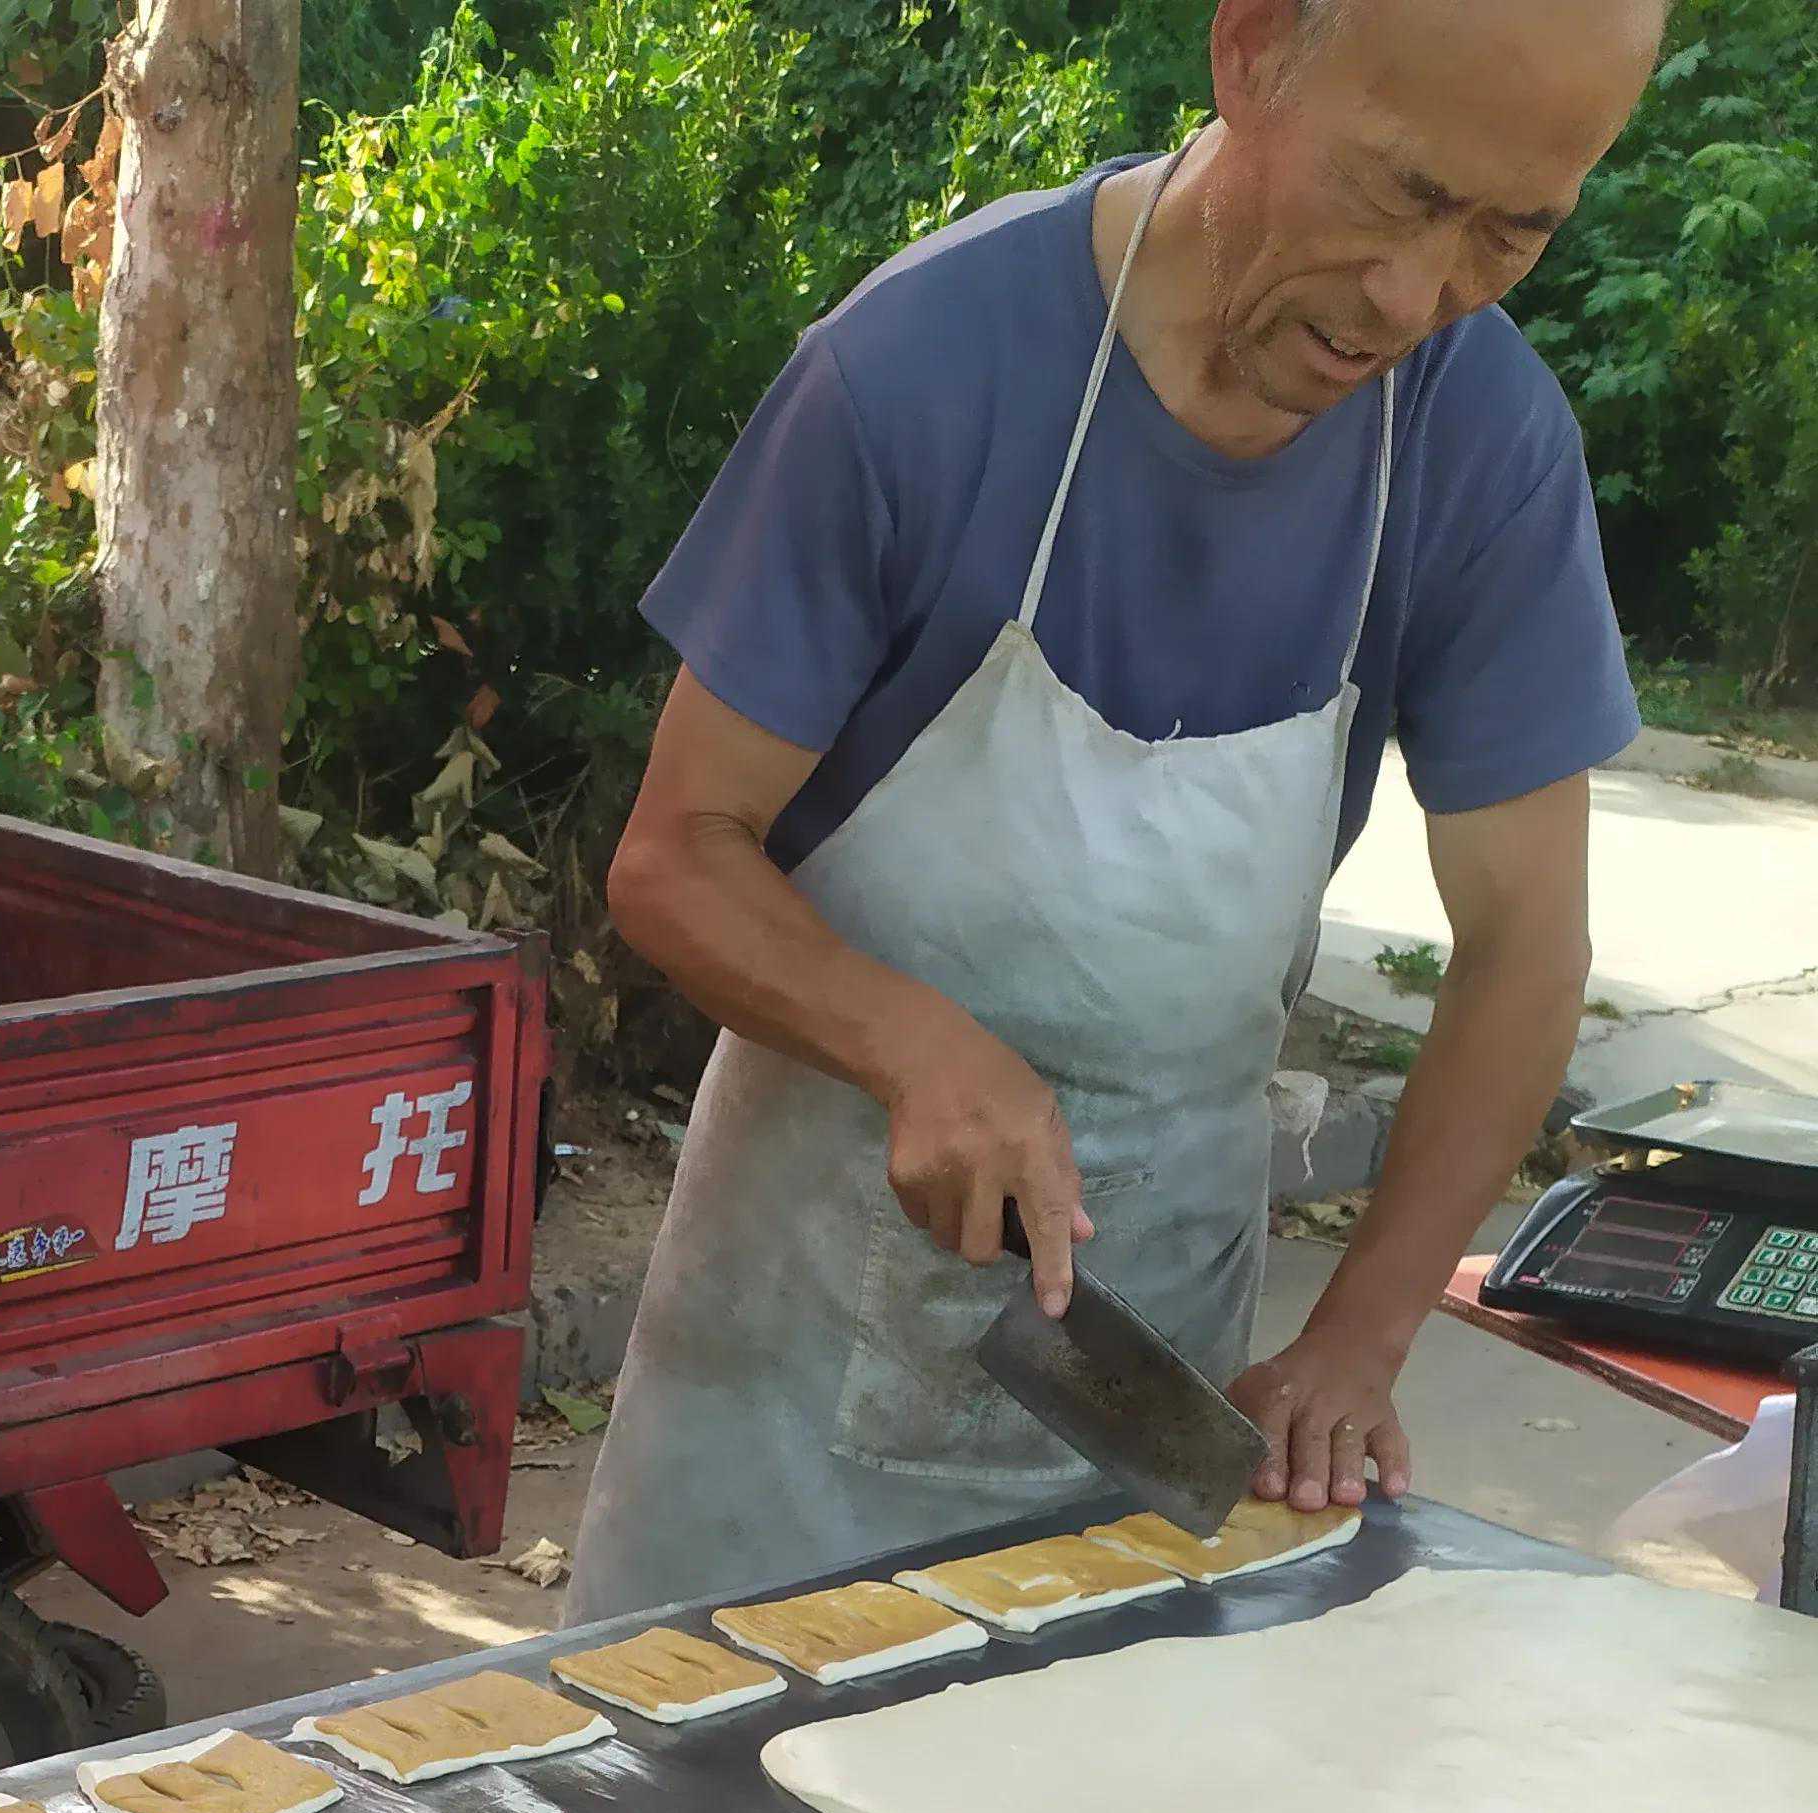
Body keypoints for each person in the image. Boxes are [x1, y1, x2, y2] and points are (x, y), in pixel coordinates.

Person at [569, 0, 1665, 1622]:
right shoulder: (918, 373)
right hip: (778, 1410)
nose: (1415, 299)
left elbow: (1521, 944)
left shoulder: (1480, 445)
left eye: (1511, 234)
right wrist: (908, 1043)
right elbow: (674, 856)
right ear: (1252, 47)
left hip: (1148, 1395)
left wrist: (1357, 1343)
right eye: (1399, 194)